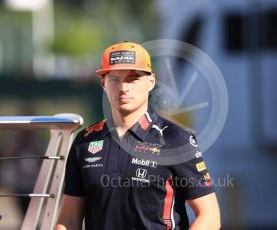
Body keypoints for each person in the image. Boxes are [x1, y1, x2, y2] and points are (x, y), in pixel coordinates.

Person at [56, 41, 221, 230]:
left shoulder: (176, 139)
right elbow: (68, 219)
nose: (124, 88)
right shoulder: (84, 142)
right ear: (103, 83)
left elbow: (209, 216)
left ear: (151, 82)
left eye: (133, 79)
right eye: (115, 79)